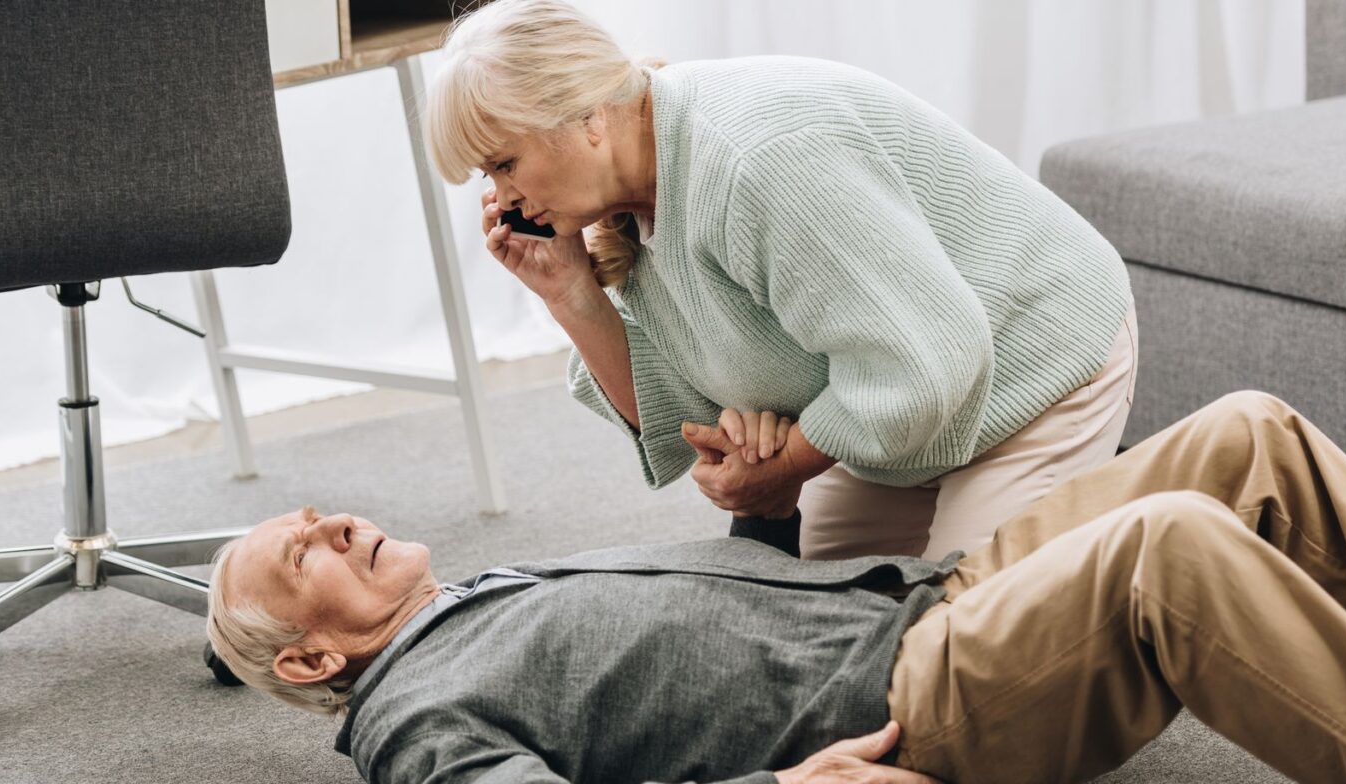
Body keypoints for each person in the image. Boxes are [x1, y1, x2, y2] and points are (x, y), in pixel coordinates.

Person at [204, 390, 1346, 784]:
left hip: (924, 601)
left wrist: (767, 508)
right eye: (304, 550)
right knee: (1166, 547)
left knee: (1245, 434)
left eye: (315, 513)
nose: (333, 520)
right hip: (912, 710)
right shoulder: (410, 716)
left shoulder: (471, 599)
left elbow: (703, 637)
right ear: (316, 662)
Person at [421, 0, 1138, 561]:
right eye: (488, 176)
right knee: (808, 630)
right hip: (904, 412)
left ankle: (1156, 506)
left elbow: (930, 359)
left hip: (1035, 363)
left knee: (963, 668)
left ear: (585, 119)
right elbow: (683, 418)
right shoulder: (638, 200)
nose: (502, 199)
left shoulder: (754, 163)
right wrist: (570, 294)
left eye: (504, 163)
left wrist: (791, 461)